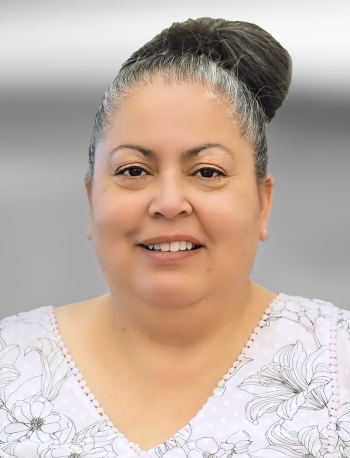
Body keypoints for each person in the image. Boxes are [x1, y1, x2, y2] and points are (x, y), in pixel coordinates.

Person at [0, 17, 349, 458]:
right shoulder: (10, 363)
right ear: (91, 199)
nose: (168, 202)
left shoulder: (339, 362)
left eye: (207, 172)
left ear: (263, 203)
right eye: (133, 171)